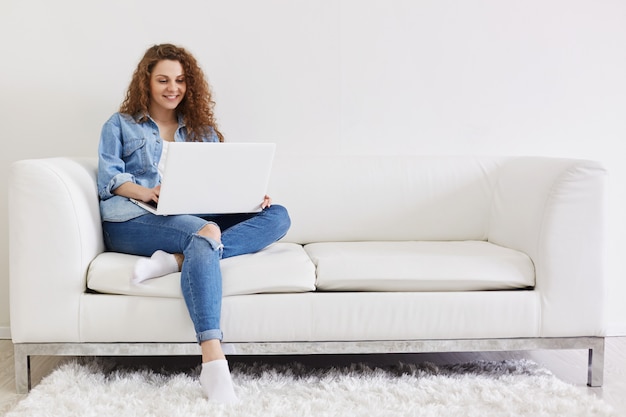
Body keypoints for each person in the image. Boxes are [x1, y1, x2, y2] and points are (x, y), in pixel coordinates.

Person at [97, 43, 291, 404]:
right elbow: (108, 179)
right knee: (205, 232)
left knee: (277, 215)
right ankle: (214, 361)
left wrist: (249, 197)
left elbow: (219, 180)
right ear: (146, 82)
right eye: (163, 80)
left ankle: (177, 260)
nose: (173, 88)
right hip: (134, 216)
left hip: (192, 213)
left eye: (181, 80)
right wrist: (147, 191)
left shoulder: (199, 128)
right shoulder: (120, 124)